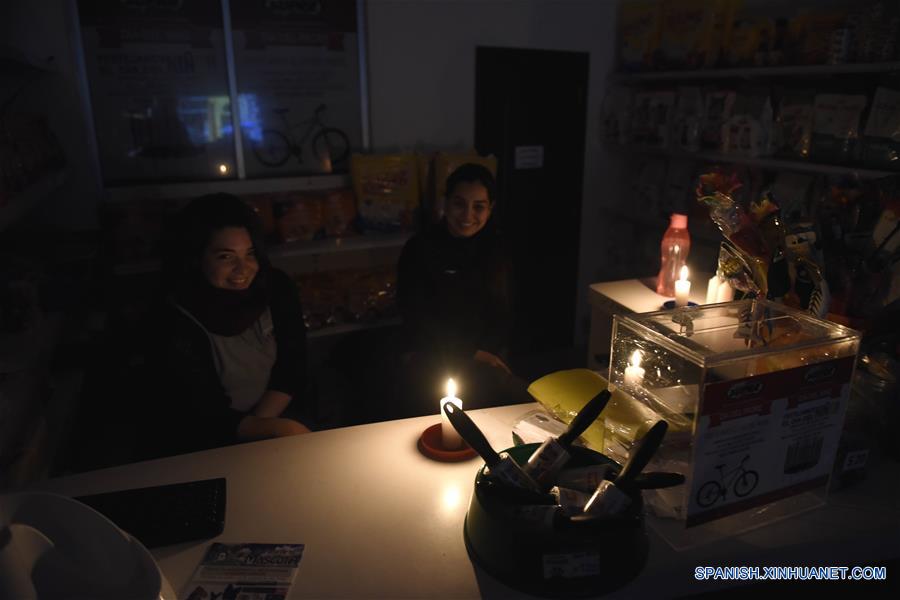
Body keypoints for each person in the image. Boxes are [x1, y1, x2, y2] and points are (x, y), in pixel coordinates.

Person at [138, 193, 311, 458]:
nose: (243, 269)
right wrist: (265, 431)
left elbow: (294, 362)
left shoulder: (274, 287)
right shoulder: (174, 318)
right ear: (196, 257)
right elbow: (202, 410)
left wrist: (266, 425)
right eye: (225, 257)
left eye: (250, 253)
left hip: (272, 416)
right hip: (207, 443)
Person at [395, 163, 531, 416]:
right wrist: (475, 354)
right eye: (459, 204)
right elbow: (417, 317)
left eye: (478, 206)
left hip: (489, 357)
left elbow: (506, 309)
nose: (467, 215)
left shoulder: (497, 249)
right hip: (434, 356)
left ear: (490, 209)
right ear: (445, 204)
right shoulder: (420, 249)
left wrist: (492, 353)